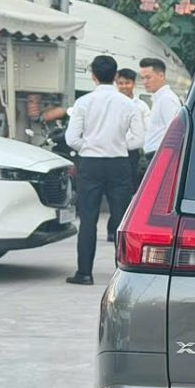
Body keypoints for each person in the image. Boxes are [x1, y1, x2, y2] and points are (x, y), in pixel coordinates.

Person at [64, 55, 145, 286]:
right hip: (119, 163)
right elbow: (138, 139)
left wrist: (89, 146)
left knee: (88, 219)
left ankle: (84, 273)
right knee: (121, 220)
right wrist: (118, 144)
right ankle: (123, 275)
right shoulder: (128, 104)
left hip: (90, 163)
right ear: (116, 76)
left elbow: (72, 138)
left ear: (93, 76)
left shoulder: (83, 102)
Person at [111, 68, 150, 241]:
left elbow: (147, 129)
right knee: (113, 191)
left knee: (129, 190)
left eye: (127, 83)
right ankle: (113, 228)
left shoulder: (140, 106)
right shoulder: (112, 103)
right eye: (120, 83)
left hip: (131, 152)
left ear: (134, 84)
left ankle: (124, 226)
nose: (124, 86)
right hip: (113, 151)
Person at [139, 57, 181, 163]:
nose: (144, 82)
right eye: (142, 78)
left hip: (161, 156)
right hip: (156, 155)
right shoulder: (159, 99)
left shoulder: (167, 99)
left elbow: (175, 133)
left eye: (148, 77)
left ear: (161, 75)